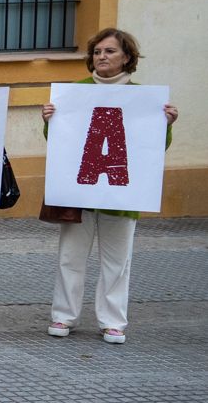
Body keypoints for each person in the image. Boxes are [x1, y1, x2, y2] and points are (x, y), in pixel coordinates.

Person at [41, 27, 179, 344]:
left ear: (127, 57)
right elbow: (60, 146)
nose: (102, 57)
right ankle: (63, 316)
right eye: (98, 51)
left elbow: (153, 149)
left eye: (110, 51)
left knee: (117, 263)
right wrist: (50, 121)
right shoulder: (75, 92)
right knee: (70, 258)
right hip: (79, 195)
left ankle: (112, 321)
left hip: (121, 197)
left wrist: (166, 125)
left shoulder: (144, 98)